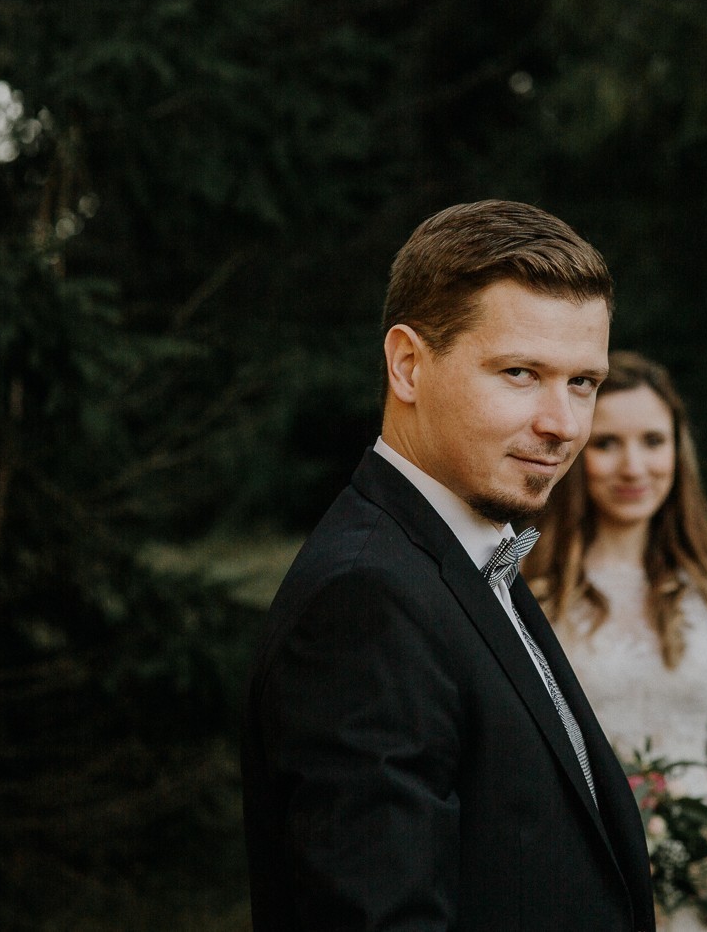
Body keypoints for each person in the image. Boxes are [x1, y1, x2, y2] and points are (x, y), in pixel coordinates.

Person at [241, 201, 656, 931]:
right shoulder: (366, 598)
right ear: (408, 365)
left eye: (582, 383)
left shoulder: (466, 554)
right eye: (521, 373)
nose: (562, 424)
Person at [524, 351, 707, 932]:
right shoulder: (533, 585)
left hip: (703, 875)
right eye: (607, 444)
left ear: (677, 452)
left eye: (653, 441)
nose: (633, 466)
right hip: (581, 872)